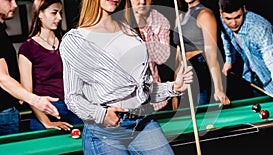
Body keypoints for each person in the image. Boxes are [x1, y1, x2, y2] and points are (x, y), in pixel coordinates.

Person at [59, 0, 193, 154]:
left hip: (143, 121)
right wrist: (102, 115)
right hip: (106, 130)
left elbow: (144, 90)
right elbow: (73, 97)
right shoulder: (76, 40)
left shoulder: (131, 32)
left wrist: (173, 87)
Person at [18, 0, 82, 131]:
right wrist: (47, 123)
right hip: (45, 112)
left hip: (73, 109)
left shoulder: (67, 41)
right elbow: (28, 94)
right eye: (54, 13)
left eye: (60, 13)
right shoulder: (27, 48)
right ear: (40, 14)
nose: (59, 18)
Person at [218, 0, 273, 104]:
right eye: (228, 18)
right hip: (252, 74)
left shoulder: (258, 28)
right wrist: (229, 61)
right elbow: (226, 37)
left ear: (244, 9)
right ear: (221, 13)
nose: (233, 23)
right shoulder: (222, 21)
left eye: (238, 17)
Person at [0, 0, 59, 136]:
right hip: (3, 113)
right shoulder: (28, 47)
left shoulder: (2, 30)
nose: (15, 5)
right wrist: (35, 100)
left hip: (8, 110)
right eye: (9, 0)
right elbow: (2, 77)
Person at [173, 0, 230, 106]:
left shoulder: (205, 14)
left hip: (201, 71)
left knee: (201, 115)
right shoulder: (179, 17)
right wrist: (174, 92)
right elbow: (178, 56)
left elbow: (211, 54)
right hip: (185, 74)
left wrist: (218, 88)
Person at [129, 0, 176, 110]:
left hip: (153, 97)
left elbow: (161, 58)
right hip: (126, 99)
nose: (142, 2)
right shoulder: (119, 19)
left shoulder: (159, 19)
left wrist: (145, 31)